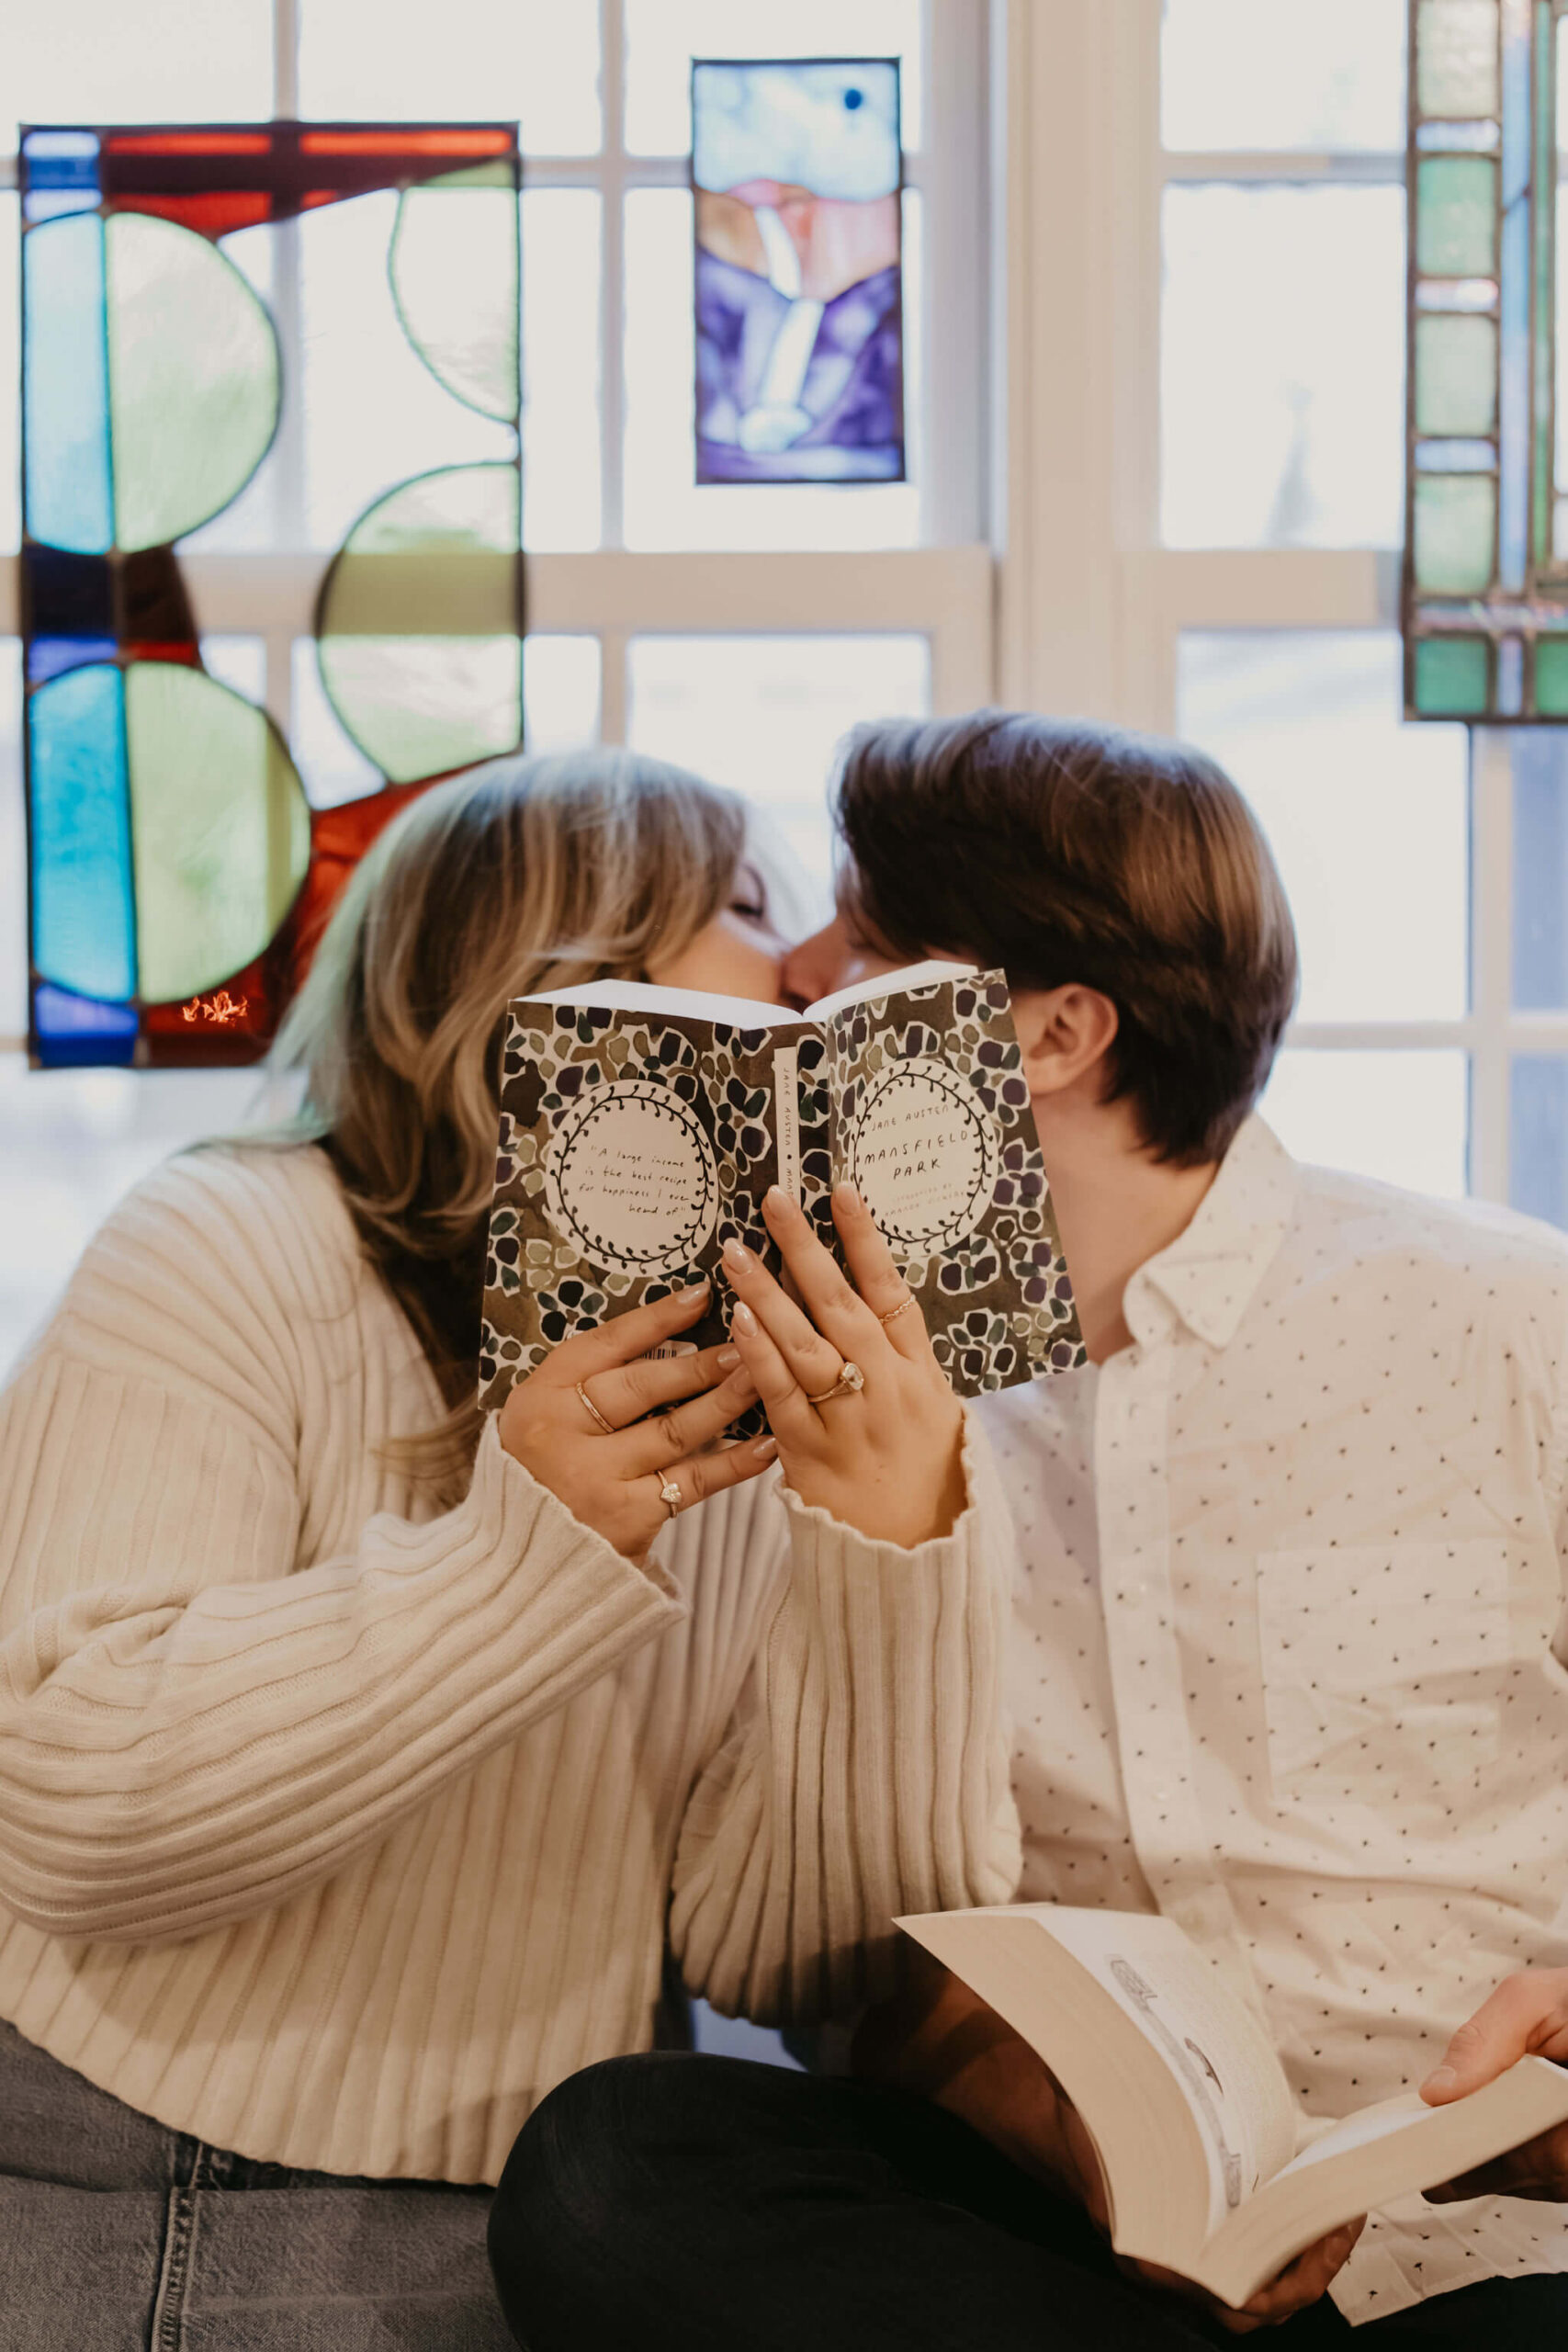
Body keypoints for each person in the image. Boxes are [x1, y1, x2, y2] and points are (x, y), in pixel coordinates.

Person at [490, 714, 1568, 2347]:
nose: (791, 972)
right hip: (1068, 2235)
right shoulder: (804, 1386)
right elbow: (832, 1977)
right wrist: (1056, 2128)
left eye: (858, 942)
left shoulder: (1506, 1318)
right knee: (615, 2165)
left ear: (1053, 1031)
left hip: (1486, 2226)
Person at [0, 748, 1018, 2352]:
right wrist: (522, 1561)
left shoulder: (725, 1358)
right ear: (573, 963)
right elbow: (74, 1808)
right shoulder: (230, 1242)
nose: (820, 968)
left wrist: (879, 1559)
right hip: (152, 2179)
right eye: (753, 906)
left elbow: (782, 1959)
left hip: (547, 2217)